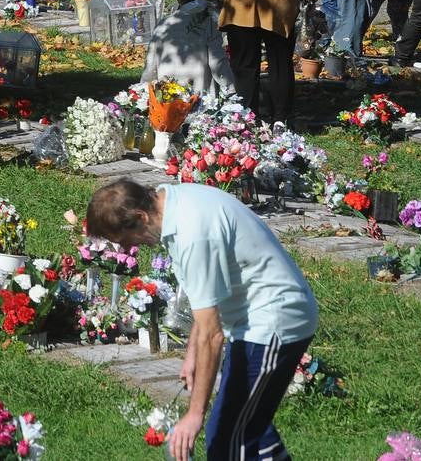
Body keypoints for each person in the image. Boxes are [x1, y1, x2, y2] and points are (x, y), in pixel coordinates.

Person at [87, 178, 317, 461]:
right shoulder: (172, 201)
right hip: (251, 319)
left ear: (140, 217)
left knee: (229, 441)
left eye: (126, 240)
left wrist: (195, 414)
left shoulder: (192, 234)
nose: (130, 247)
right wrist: (192, 354)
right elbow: (208, 294)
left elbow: (212, 334)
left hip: (274, 321)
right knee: (247, 425)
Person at [141, 0, 236, 96]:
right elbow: (216, 61)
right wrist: (230, 87)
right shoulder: (207, 23)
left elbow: (150, 63)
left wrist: (143, 89)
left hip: (167, 92)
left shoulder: (163, 24)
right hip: (198, 92)